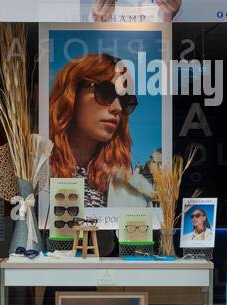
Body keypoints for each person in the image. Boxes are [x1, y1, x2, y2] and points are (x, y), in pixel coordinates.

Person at [48, 52, 155, 208]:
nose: (117, 108)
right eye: (106, 92)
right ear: (72, 94)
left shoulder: (130, 190)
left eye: (125, 100)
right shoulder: (32, 169)